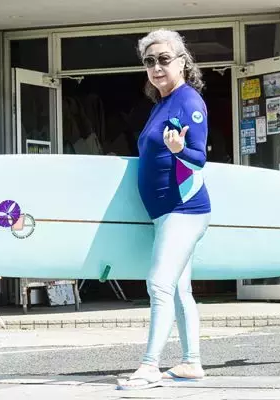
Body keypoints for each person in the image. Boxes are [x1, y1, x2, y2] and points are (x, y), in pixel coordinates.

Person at [117, 29, 211, 390]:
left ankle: (149, 366)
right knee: (179, 289)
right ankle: (191, 363)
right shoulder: (162, 104)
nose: (157, 67)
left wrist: (179, 151)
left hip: (183, 209)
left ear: (182, 62)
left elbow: (198, 158)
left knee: (159, 283)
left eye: (164, 59)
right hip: (165, 212)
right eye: (150, 61)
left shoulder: (188, 102)